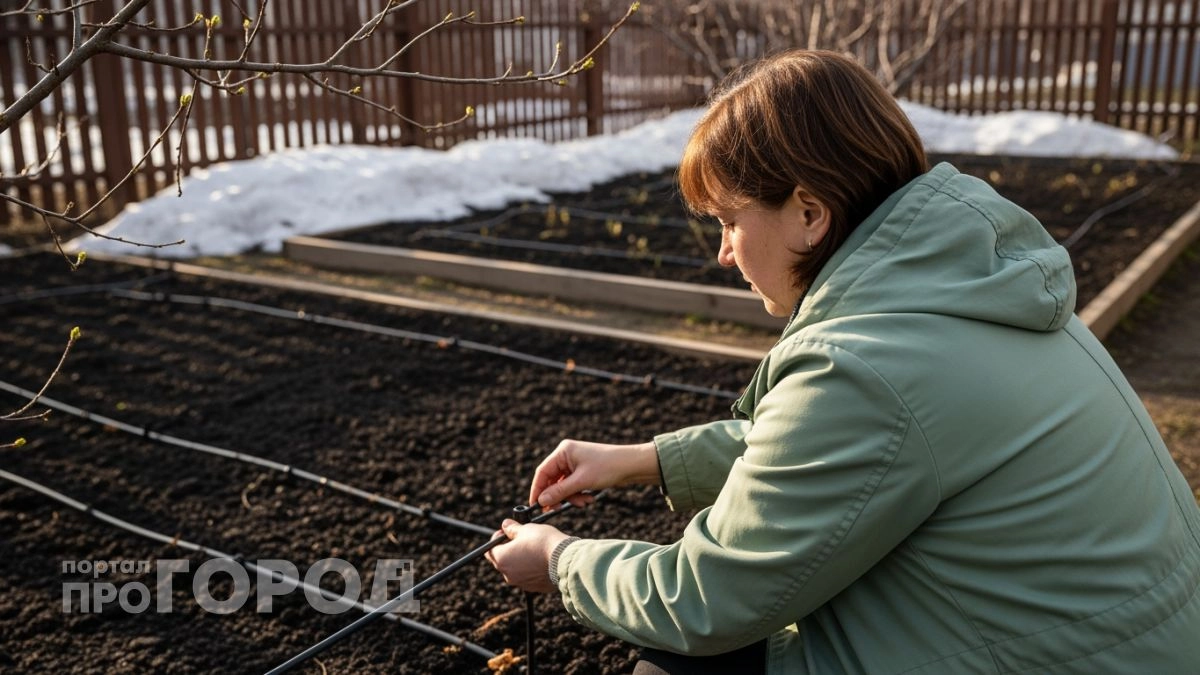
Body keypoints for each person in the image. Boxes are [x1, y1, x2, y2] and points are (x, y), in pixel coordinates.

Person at [486, 49, 1200, 674]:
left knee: (678, 662)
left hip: (1060, 657)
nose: (724, 252)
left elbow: (706, 598)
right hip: (1131, 641)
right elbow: (856, 447)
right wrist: (642, 459)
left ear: (809, 212)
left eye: (731, 221)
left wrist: (560, 561)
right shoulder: (968, 287)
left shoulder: (863, 364)